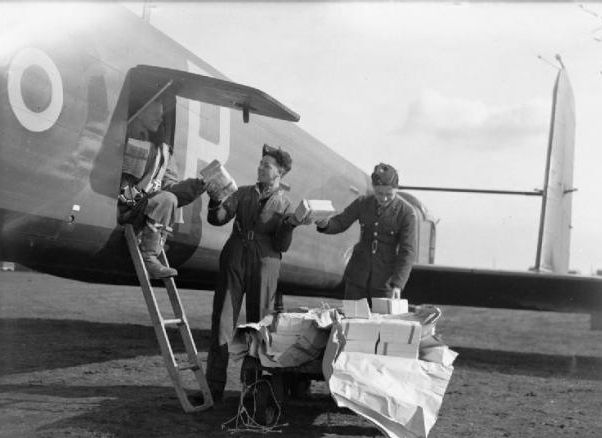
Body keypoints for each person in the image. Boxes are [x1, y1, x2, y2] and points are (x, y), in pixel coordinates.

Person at [205, 144, 307, 401]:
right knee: (222, 322)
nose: (260, 167)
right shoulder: (241, 193)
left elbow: (282, 245)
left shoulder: (285, 205)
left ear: (280, 172)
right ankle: (213, 389)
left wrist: (290, 225)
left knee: (260, 326)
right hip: (235, 257)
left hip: (266, 262)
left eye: (267, 165)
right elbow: (218, 218)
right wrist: (215, 199)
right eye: (261, 163)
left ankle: (254, 390)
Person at [118, 99, 208, 279]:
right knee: (167, 199)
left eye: (161, 117)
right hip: (123, 202)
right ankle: (149, 256)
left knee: (169, 198)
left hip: (142, 206)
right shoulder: (121, 135)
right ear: (141, 112)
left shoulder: (164, 151)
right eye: (155, 115)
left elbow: (170, 188)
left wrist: (198, 185)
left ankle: (152, 247)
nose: (160, 120)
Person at [315, 163, 417, 301]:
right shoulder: (363, 203)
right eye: (379, 193)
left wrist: (398, 284)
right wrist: (325, 223)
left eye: (389, 194)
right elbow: (340, 222)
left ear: (396, 189)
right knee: (353, 321)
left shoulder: (407, 213)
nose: (384, 198)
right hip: (357, 280)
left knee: (382, 323)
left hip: (385, 284)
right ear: (373, 188)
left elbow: (407, 252)